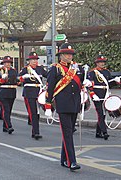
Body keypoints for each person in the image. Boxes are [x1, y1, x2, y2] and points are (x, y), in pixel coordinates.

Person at [44, 41, 88, 171]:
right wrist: (47, 105)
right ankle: (72, 162)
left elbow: (78, 85)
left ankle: (64, 158)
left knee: (69, 132)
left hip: (75, 103)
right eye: (66, 54)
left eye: (70, 54)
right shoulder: (55, 68)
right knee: (67, 133)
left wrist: (85, 83)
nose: (69, 56)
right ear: (61, 55)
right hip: (62, 104)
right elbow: (50, 87)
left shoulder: (76, 68)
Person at [87, 53, 121, 140]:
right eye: (100, 62)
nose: (102, 64)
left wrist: (116, 81)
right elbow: (89, 85)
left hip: (105, 94)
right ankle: (104, 132)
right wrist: (92, 94)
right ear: (96, 63)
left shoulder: (106, 72)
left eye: (103, 62)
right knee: (100, 113)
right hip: (97, 94)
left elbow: (109, 84)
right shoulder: (92, 72)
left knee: (104, 114)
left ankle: (98, 132)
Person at [18, 52, 47, 140]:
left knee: (37, 113)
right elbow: (18, 79)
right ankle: (36, 132)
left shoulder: (40, 69)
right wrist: (24, 77)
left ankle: (35, 131)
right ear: (29, 61)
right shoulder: (25, 69)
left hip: (39, 92)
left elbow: (49, 76)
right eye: (33, 60)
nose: (35, 61)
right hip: (29, 93)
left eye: (36, 60)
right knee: (33, 113)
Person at [0, 56, 18, 134]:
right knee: (6, 109)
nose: (8, 64)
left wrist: (19, 81)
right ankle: (9, 126)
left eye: (9, 63)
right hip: (3, 92)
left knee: (9, 110)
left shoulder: (13, 71)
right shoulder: (0, 71)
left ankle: (5, 126)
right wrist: (1, 80)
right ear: (3, 63)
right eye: (6, 63)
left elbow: (16, 80)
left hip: (12, 91)